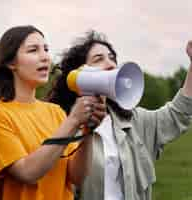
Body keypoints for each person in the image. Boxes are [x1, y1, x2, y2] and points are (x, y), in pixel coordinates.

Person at [47, 30, 192, 200]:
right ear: (79, 73)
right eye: (98, 59)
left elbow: (177, 114)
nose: (110, 64)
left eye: (112, 58)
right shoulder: (61, 125)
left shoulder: (134, 122)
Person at [0, 25, 106, 200]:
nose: (44, 57)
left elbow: (77, 177)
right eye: (33, 50)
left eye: (46, 49)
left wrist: (88, 131)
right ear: (11, 63)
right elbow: (27, 172)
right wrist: (73, 121)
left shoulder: (55, 112)